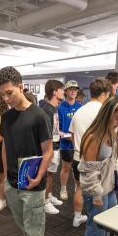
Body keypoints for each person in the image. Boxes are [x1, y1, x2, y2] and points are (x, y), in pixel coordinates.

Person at [0, 66, 53, 236]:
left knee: (34, 225)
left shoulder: (39, 116)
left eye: (9, 93)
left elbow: (48, 151)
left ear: (21, 87)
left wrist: (38, 178)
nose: (6, 98)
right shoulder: (7, 118)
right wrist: (4, 176)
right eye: (2, 94)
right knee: (24, 224)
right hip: (12, 181)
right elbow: (4, 146)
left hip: (33, 182)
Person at [78, 96, 118, 236]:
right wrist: (96, 196)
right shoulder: (94, 137)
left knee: (108, 221)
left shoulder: (111, 132)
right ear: (107, 113)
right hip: (97, 189)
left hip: (108, 185)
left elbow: (114, 154)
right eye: (117, 117)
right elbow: (90, 171)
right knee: (97, 224)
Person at [70, 78, 113, 227]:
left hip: (77, 158)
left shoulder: (79, 111)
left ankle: (77, 217)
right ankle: (96, 224)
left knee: (79, 188)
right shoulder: (104, 113)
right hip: (96, 162)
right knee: (98, 197)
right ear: (105, 94)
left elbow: (72, 136)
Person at [38, 79, 65, 215]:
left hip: (55, 145)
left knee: (51, 174)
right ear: (55, 92)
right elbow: (45, 133)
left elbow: (52, 129)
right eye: (61, 89)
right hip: (50, 148)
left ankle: (49, 195)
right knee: (47, 175)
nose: (63, 92)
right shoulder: (47, 110)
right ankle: (45, 201)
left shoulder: (53, 108)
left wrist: (60, 134)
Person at [58, 81, 83, 202]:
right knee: (65, 168)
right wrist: (67, 135)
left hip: (78, 145)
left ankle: (77, 187)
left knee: (78, 168)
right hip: (66, 144)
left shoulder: (80, 107)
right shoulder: (60, 108)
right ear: (66, 91)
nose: (73, 91)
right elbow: (56, 130)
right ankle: (63, 189)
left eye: (75, 89)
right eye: (70, 89)